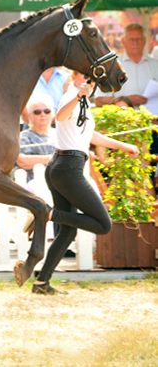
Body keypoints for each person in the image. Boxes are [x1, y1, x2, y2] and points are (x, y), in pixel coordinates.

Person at [33, 79, 139, 295]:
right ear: (74, 77)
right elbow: (60, 116)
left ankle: (41, 283)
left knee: (68, 231)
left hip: (62, 167)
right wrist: (78, 95)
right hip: (67, 169)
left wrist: (123, 146)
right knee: (103, 225)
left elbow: (88, 135)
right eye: (85, 77)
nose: (89, 82)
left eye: (91, 79)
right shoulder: (72, 95)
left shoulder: (83, 101)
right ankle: (48, 213)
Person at [95, 23, 158, 110]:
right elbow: (99, 100)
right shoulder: (112, 65)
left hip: (153, 121)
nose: (135, 43)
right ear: (123, 42)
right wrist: (125, 100)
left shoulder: (155, 65)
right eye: (131, 39)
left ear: (144, 41)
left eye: (138, 39)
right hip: (124, 122)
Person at [17, 94, 56, 189]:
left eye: (46, 111)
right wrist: (52, 159)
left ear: (52, 114)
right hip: (34, 183)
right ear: (30, 116)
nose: (43, 114)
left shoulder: (59, 135)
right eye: (37, 112)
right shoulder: (24, 137)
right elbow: (21, 161)